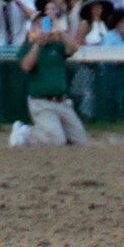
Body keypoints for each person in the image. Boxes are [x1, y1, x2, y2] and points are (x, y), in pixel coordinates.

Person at [17, 8, 84, 146]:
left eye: (46, 25)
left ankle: (53, 133)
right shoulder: (27, 47)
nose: (44, 30)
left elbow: (73, 49)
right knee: (56, 141)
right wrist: (37, 44)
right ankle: (25, 133)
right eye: (40, 26)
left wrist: (59, 31)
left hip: (62, 101)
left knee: (80, 141)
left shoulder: (57, 46)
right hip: (41, 102)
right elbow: (26, 66)